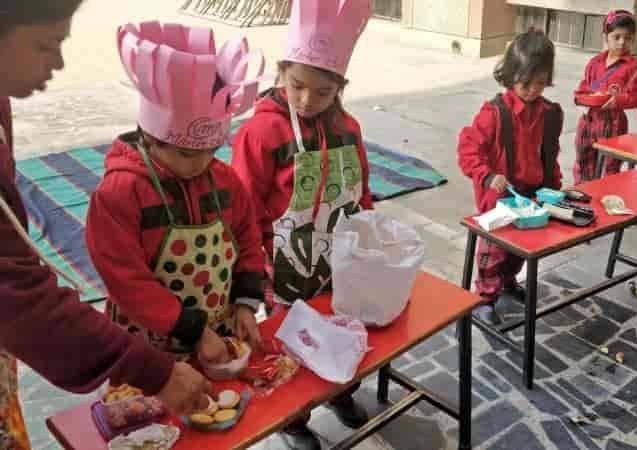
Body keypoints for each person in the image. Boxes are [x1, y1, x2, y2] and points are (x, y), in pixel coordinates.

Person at [0, 4, 211, 448]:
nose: (58, 63)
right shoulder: (120, 192)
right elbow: (15, 292)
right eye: (45, 45)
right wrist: (154, 368)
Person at [85, 21, 267, 368]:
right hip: (148, 344)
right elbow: (126, 279)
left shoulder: (225, 180)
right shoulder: (119, 195)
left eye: (211, 151)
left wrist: (245, 302)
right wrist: (193, 331)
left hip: (218, 331)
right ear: (150, 138)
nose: (200, 164)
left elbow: (247, 240)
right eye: (185, 154)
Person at [231, 1, 372, 448]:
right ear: (282, 74)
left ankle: (339, 391)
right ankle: (294, 418)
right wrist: (251, 267)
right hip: (282, 266)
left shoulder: (349, 129)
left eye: (323, 92)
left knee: (339, 330)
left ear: (340, 88)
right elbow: (242, 207)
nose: (308, 101)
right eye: (297, 86)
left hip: (338, 261)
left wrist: (367, 236)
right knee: (292, 343)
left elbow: (361, 190)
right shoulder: (261, 133)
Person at [457, 29, 564, 325]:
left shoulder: (550, 113)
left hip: (532, 194)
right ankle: (485, 297)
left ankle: (507, 282)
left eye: (540, 83)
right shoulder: (494, 113)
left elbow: (551, 153)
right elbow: (468, 150)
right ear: (510, 75)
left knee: (521, 247)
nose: (532, 90)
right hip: (499, 196)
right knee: (494, 249)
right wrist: (487, 175)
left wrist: (555, 186)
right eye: (525, 83)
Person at [573, 9, 637, 184]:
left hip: (614, 124)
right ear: (606, 37)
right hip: (589, 121)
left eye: (628, 38)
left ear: (633, 39)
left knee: (611, 166)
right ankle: (582, 192)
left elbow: (636, 97)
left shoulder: (634, 68)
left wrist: (618, 100)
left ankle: (606, 194)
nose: (622, 42)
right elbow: (586, 86)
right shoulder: (594, 63)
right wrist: (580, 97)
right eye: (617, 37)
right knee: (583, 161)